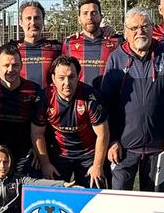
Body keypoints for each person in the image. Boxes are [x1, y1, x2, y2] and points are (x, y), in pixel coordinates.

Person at [101, 7, 164, 193]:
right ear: (126, 31)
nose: (140, 31)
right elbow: (107, 105)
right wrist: (112, 140)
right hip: (123, 148)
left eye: (145, 26)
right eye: (134, 28)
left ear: (152, 28)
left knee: (157, 204)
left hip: (159, 148)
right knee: (120, 201)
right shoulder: (115, 59)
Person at [33, 55, 109, 188]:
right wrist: (45, 164)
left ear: (78, 77)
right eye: (61, 78)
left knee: (94, 194)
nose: (67, 83)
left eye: (71, 77)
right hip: (59, 154)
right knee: (54, 194)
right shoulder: (44, 98)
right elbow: (37, 133)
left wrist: (97, 166)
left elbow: (103, 134)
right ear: (53, 79)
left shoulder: (90, 97)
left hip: (88, 154)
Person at [0, 43, 45, 176]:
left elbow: (42, 126)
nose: (11, 69)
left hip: (24, 154)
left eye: (15, 65)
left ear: (21, 66)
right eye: (6, 65)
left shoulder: (34, 91)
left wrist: (37, 148)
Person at [62, 0, 121, 90]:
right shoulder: (69, 43)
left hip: (109, 97)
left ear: (101, 16)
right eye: (85, 13)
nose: (89, 17)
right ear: (79, 19)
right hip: (80, 97)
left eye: (94, 13)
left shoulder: (117, 41)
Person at [10, 0, 63, 88]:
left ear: (43, 21)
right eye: (28, 18)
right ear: (21, 22)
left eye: (37, 18)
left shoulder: (57, 48)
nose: (33, 23)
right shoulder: (10, 49)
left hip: (48, 97)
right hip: (20, 97)